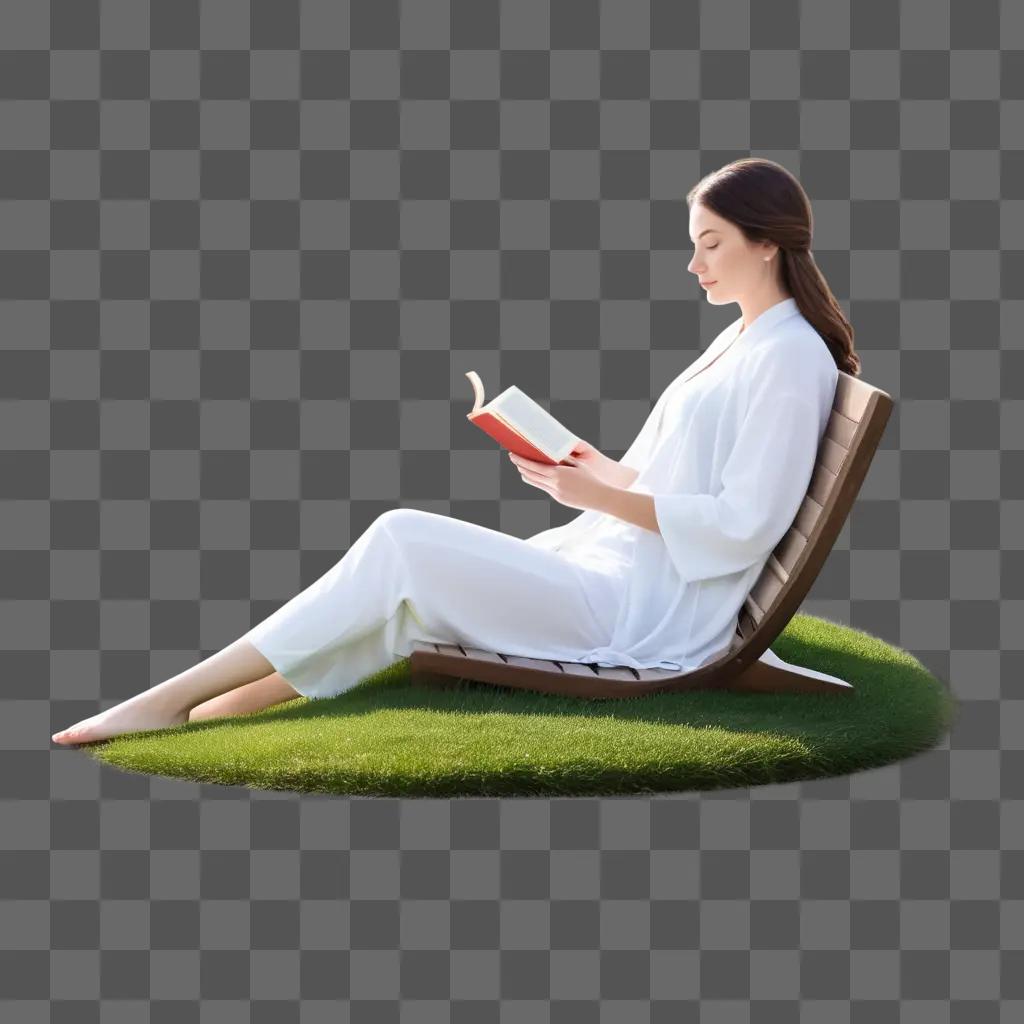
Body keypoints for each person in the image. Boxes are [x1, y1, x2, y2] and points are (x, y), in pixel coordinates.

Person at [51, 157, 860, 746]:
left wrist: (597, 500)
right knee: (408, 587)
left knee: (405, 542)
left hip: (647, 616)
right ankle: (217, 707)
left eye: (711, 244)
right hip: (618, 570)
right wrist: (585, 465)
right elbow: (675, 476)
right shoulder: (744, 339)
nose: (694, 264)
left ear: (765, 243)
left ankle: (169, 701)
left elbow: (746, 524)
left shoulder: (790, 359)